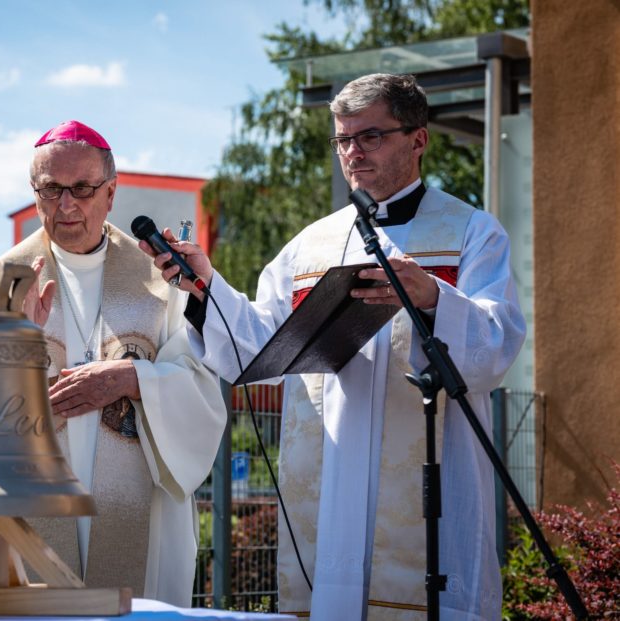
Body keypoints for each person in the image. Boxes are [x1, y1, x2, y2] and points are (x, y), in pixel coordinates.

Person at [141, 74, 526, 619]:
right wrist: (207, 289)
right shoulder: (310, 245)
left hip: (427, 492)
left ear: (419, 139)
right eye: (342, 140)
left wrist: (435, 296)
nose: (352, 153)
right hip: (326, 481)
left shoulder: (472, 233)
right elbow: (259, 348)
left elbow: (499, 344)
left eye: (370, 137)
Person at [0, 120, 226, 607]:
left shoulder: (160, 279)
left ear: (111, 193)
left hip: (138, 509)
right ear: (34, 193)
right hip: (31, 503)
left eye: (81, 188)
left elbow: (202, 391)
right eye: (51, 189)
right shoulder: (2, 283)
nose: (66, 205)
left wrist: (134, 378)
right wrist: (10, 345)